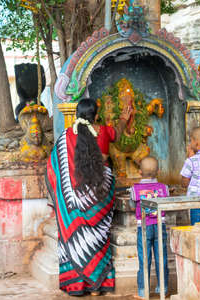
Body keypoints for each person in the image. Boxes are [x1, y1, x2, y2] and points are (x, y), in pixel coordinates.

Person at [45, 98, 130, 296]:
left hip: (74, 200)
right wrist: (125, 118)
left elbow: (53, 166)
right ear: (96, 115)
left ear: (76, 114)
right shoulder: (102, 131)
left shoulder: (67, 135)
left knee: (80, 237)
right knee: (98, 236)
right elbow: (116, 133)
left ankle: (77, 285)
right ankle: (96, 288)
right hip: (100, 196)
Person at [130, 156, 169, 299]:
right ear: (158, 171)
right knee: (162, 258)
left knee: (144, 259)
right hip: (160, 226)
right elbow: (166, 204)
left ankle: (142, 291)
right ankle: (163, 288)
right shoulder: (164, 188)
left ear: (140, 172)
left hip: (144, 228)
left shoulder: (135, 189)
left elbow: (132, 205)